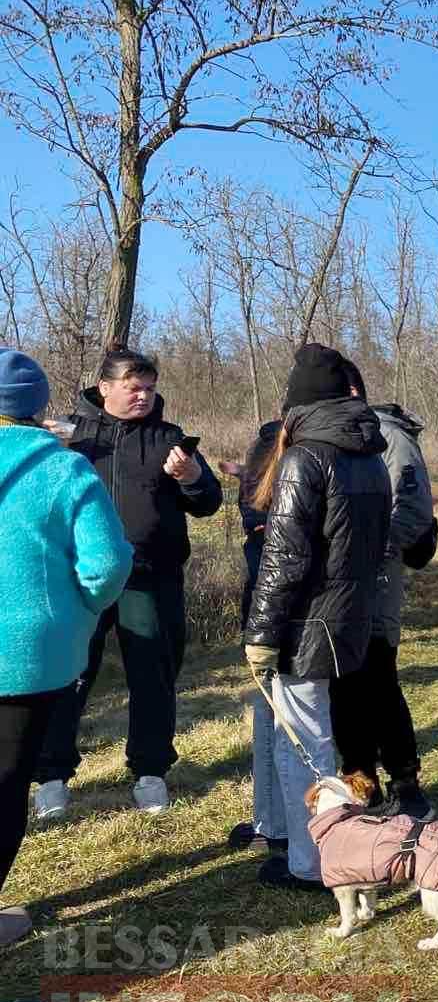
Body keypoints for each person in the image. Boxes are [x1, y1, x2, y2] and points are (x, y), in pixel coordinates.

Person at [35, 349, 222, 820]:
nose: (143, 396)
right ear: (105, 388)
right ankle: (52, 778)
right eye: (133, 387)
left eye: (150, 388)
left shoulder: (170, 440)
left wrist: (194, 477)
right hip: (80, 580)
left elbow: (208, 503)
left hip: (150, 579)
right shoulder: (70, 439)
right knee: (67, 677)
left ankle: (150, 772)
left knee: (153, 677)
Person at [243, 343, 392, 891]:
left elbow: (284, 558)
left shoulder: (307, 458)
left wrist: (260, 635)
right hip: (347, 617)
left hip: (309, 623)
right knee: (313, 733)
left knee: (302, 742)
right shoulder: (368, 454)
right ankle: (294, 835)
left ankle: (311, 862)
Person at [0, 350, 131, 945]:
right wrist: (80, 608)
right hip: (30, 658)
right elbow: (107, 562)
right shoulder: (64, 470)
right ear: (37, 404)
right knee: (6, 785)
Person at [327, 366, 437, 821]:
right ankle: (360, 780)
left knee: (377, 681)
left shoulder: (388, 436)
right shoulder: (333, 436)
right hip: (338, 587)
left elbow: (413, 508)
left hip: (377, 582)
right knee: (343, 685)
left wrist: (369, 552)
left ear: (350, 391)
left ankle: (406, 781)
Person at [220, 419, 289, 857]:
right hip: (273, 611)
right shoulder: (269, 446)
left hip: (289, 619)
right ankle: (271, 820)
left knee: (286, 720)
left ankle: (284, 828)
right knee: (272, 716)